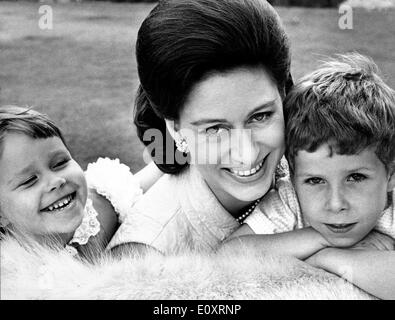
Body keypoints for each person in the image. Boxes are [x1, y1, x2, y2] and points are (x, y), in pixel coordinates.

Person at [108, 0, 293, 255]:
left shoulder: (316, 168)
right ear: (174, 128)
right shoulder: (148, 255)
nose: (247, 154)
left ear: (283, 95)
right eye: (215, 129)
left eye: (260, 116)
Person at [223, 53, 395, 299]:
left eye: (356, 178)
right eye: (315, 181)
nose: (336, 204)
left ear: (390, 174)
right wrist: (320, 240)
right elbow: (228, 256)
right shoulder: (290, 202)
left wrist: (326, 258)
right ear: (292, 177)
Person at [0, 105, 161, 259]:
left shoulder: (98, 209)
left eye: (60, 163)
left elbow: (147, 179)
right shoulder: (10, 269)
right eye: (29, 180)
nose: (56, 181)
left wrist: (178, 149)